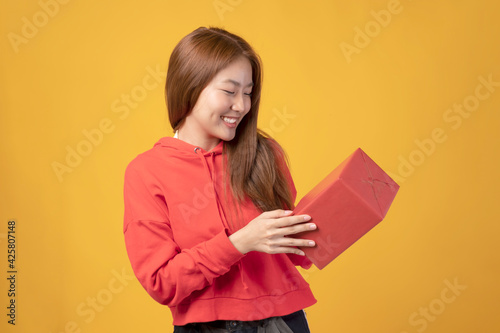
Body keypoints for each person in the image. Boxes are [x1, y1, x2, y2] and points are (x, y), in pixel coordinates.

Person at [123, 26, 317, 333]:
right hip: (205, 327)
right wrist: (239, 243)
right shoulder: (147, 172)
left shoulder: (265, 154)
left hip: (285, 322)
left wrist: (327, 226)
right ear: (189, 85)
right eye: (229, 91)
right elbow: (161, 282)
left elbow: (292, 251)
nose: (241, 106)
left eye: (248, 92)